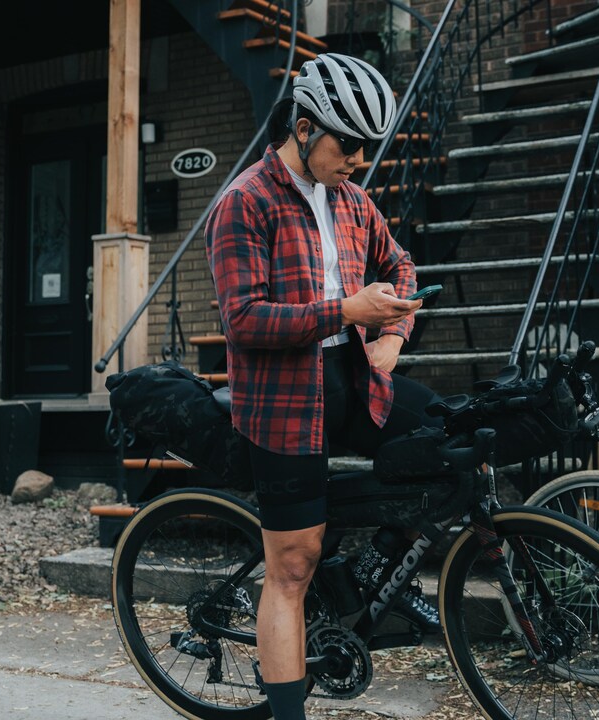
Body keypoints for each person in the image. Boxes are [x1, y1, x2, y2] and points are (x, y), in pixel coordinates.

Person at [205, 53, 441, 720]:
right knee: (292, 566)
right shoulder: (244, 202)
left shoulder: (352, 201)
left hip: (353, 379)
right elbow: (243, 320)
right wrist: (346, 311)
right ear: (304, 129)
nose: (360, 160)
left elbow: (400, 264)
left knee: (450, 439)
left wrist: (394, 336)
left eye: (367, 146)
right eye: (349, 145)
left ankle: (375, 567)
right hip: (281, 403)